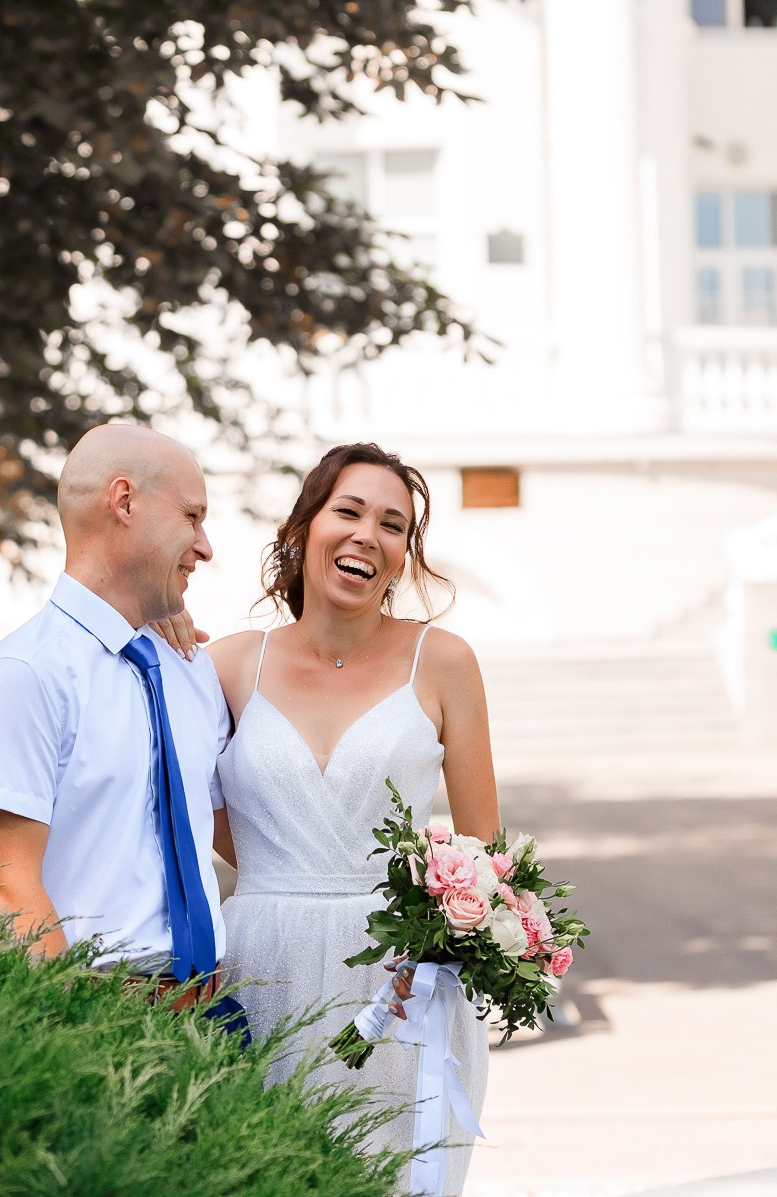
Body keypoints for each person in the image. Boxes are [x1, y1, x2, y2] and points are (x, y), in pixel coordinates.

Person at [207, 442, 500, 1196]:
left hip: (399, 984)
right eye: (349, 510)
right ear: (304, 528)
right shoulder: (225, 666)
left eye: (393, 524)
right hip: (260, 965)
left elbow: (482, 849)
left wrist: (439, 944)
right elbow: (204, 819)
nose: (369, 533)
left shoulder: (444, 662)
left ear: (402, 558)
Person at [0, 424, 238, 1007]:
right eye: (192, 516)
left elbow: (238, 840)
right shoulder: (25, 673)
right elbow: (8, 885)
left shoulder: (189, 671)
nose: (206, 546)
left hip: (213, 1015)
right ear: (125, 502)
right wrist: (77, 1034)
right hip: (96, 1012)